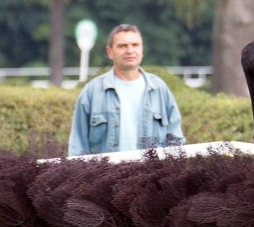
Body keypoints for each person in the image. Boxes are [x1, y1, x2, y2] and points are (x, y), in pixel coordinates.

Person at [68, 24, 186, 156]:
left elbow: (175, 140)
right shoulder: (92, 92)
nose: (130, 50)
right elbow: (78, 146)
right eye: (122, 46)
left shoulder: (159, 89)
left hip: (152, 174)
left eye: (135, 45)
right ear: (110, 52)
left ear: (142, 50)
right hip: (106, 175)